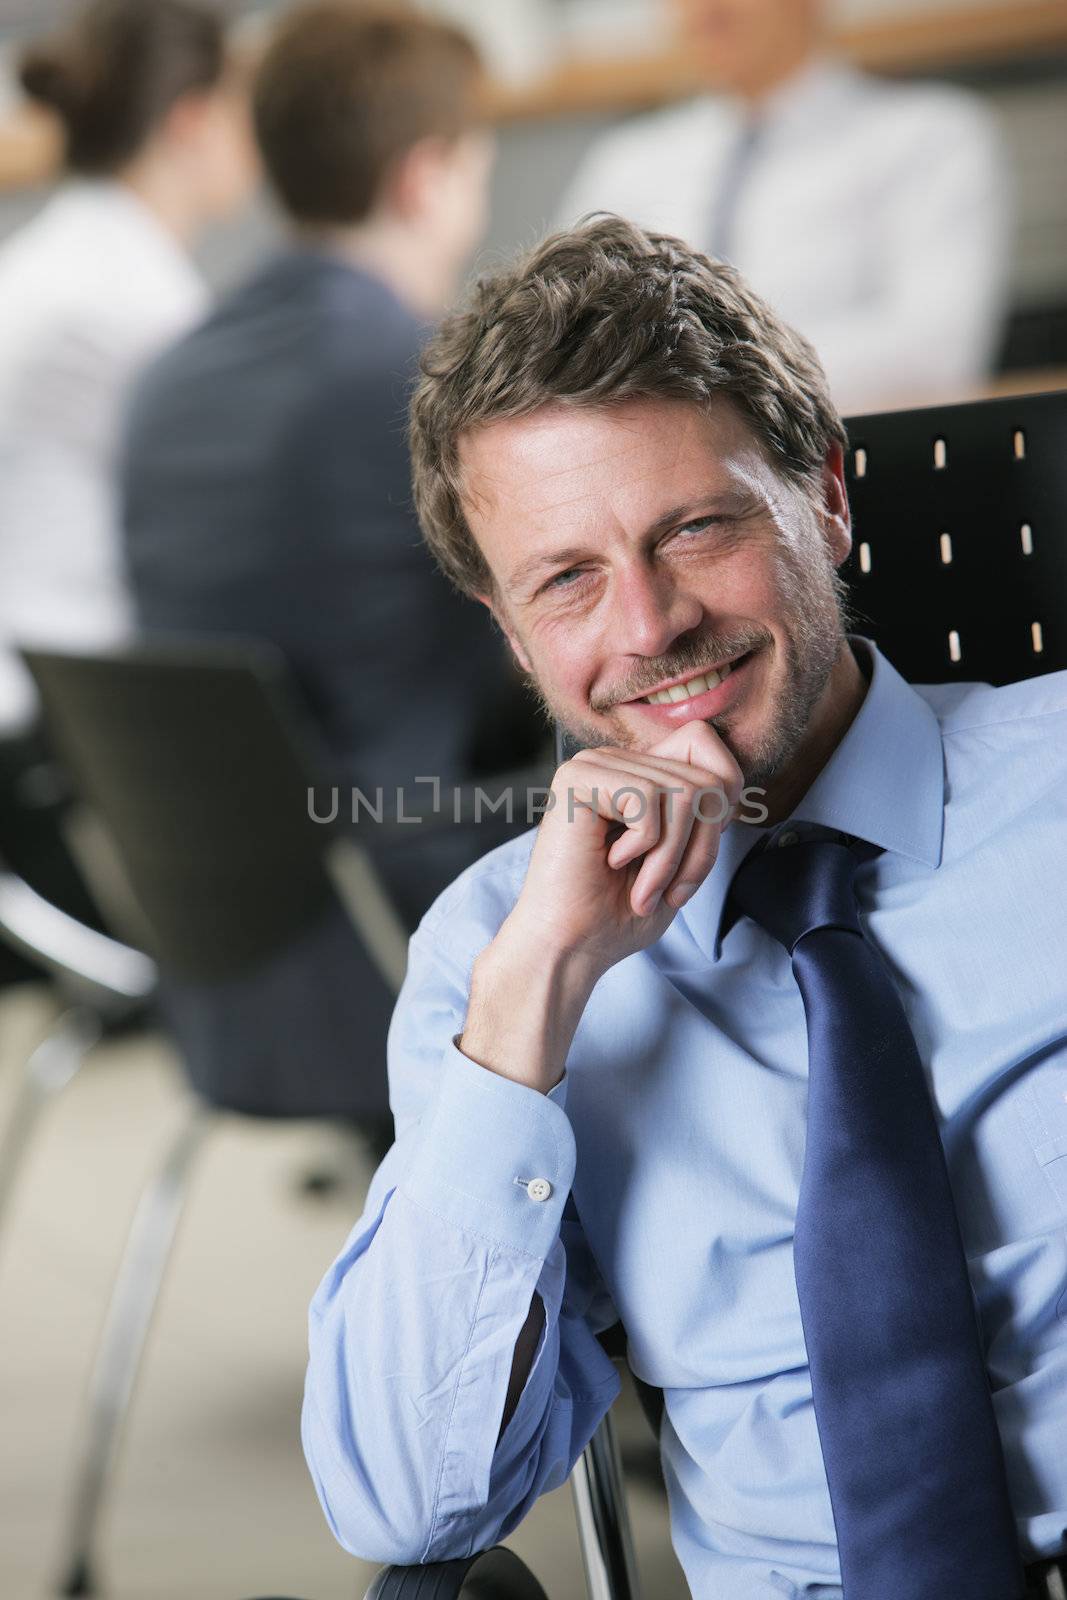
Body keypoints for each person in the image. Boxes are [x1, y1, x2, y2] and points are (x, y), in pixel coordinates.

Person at [301, 218, 1067, 1599]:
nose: (646, 626)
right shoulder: (495, 954)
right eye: (566, 579)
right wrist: (536, 992)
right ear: (505, 625)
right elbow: (404, 1508)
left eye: (695, 528)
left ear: (822, 501)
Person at [120, 2, 546, 1130]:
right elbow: (549, 645)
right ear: (423, 177)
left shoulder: (168, 381)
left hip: (239, 930)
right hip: (407, 886)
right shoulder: (420, 383)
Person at [0, 0, 256, 986]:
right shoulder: (133, 303)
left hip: (50, 716)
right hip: (73, 757)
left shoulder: (44, 261)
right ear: (190, 119)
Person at [557, 0, 1009, 414]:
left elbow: (935, 355)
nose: (703, 10)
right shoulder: (625, 163)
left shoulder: (928, 139)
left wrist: (707, 375)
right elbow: (563, 348)